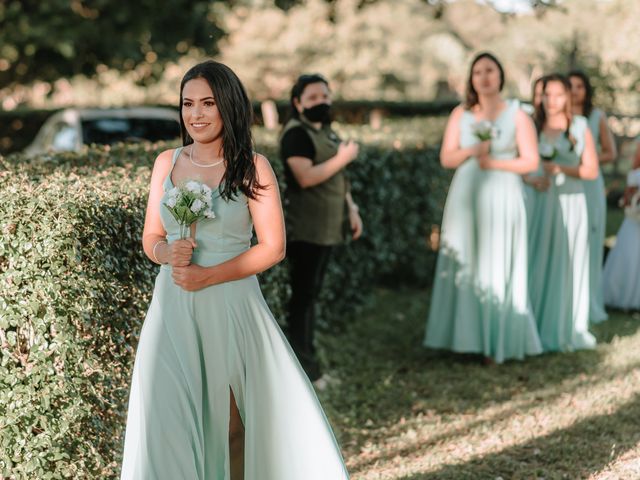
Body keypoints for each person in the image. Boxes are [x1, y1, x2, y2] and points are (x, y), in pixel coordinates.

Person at [120, 61, 350, 480]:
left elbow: (273, 247)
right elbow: (150, 236)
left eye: (208, 103)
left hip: (229, 304)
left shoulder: (252, 167)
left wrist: (207, 275)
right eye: (188, 104)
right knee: (168, 417)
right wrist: (167, 251)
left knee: (233, 424)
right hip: (172, 305)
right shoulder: (165, 162)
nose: (196, 114)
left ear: (228, 106)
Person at [424, 52, 542, 364]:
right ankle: (463, 338)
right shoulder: (460, 114)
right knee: (466, 258)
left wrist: (496, 162)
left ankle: (496, 340)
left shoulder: (517, 114)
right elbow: (447, 158)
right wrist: (473, 149)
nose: (484, 77)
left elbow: (531, 160)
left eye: (490, 70)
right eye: (478, 72)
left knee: (497, 259)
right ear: (471, 79)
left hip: (503, 193)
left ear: (500, 75)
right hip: (466, 194)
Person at [279, 74, 363, 383]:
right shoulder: (296, 135)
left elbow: (340, 180)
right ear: (298, 103)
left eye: (324, 96)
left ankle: (312, 366)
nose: (320, 102)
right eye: (312, 97)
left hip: (328, 227)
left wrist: (351, 208)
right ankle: (306, 372)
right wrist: (342, 158)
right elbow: (306, 177)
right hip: (306, 230)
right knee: (302, 301)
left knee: (311, 297)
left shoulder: (326, 132)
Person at [524, 73, 599, 352]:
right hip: (541, 200)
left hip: (570, 203)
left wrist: (560, 169)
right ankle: (533, 325)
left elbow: (591, 170)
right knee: (536, 258)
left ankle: (564, 323)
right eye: (547, 94)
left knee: (567, 262)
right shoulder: (532, 125)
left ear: (568, 96)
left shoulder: (579, 126)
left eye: (558, 94)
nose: (552, 100)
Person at [568, 70, 617, 323]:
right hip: (564, 182)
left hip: (589, 182)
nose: (575, 91)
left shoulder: (596, 116)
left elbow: (611, 152)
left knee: (589, 238)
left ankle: (589, 301)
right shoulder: (557, 117)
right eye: (571, 86)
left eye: (580, 86)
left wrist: (586, 160)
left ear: (586, 90)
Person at [602, 143, 640, 311]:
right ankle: (622, 296)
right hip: (635, 217)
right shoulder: (635, 173)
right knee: (629, 254)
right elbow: (628, 196)